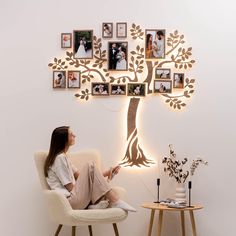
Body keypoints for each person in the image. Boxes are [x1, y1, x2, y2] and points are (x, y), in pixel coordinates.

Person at [44, 126, 136, 211]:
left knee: (91, 168)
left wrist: (107, 173)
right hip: (70, 202)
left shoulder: (64, 157)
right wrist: (91, 187)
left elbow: (83, 176)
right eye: (71, 135)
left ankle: (95, 204)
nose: (74, 135)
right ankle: (115, 201)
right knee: (90, 165)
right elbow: (70, 188)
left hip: (75, 199)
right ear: (63, 139)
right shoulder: (59, 159)